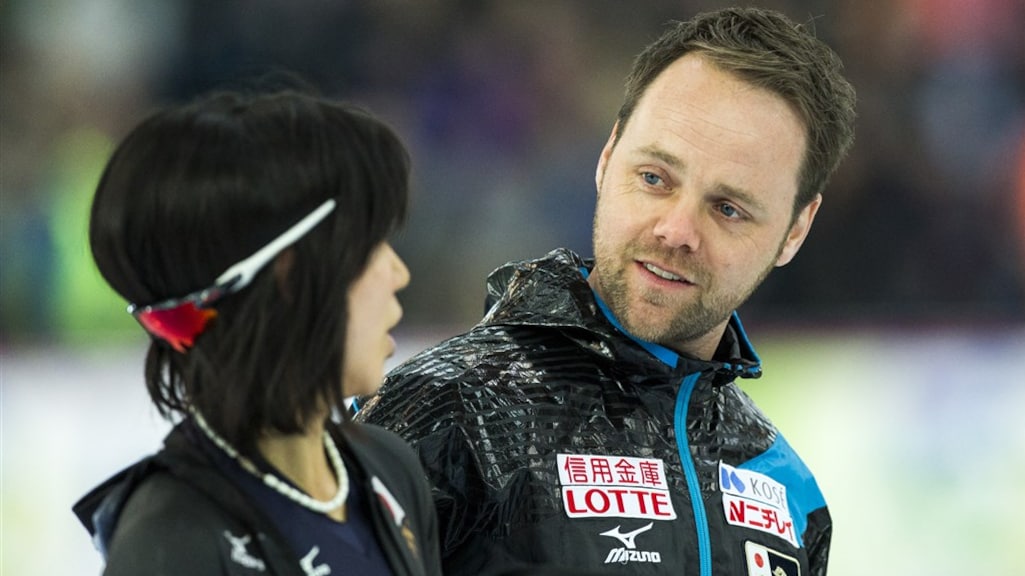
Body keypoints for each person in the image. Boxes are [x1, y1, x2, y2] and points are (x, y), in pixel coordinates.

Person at [354, 7, 856, 576]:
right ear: (608, 156)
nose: (676, 231)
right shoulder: (446, 411)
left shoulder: (788, 490)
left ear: (795, 230)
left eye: (728, 209)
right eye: (654, 178)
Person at [72, 87, 443, 576]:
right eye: (370, 245)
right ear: (288, 275)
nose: (399, 272)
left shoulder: (391, 472)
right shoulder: (172, 542)